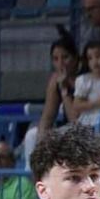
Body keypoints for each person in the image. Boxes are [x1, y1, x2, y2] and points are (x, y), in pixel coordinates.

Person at [24, 34, 81, 162]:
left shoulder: (84, 79)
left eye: (65, 57)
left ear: (75, 58)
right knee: (32, 135)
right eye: (55, 59)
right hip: (68, 129)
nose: (61, 64)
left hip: (86, 128)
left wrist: (64, 89)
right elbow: (47, 117)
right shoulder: (55, 80)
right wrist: (41, 141)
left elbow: (76, 121)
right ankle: (33, 173)